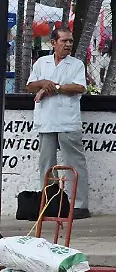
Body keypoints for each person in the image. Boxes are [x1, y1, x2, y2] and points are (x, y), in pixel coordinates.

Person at [26, 27, 91, 219]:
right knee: (47, 164)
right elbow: (30, 85)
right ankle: (51, 203)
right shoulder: (42, 63)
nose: (68, 44)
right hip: (46, 120)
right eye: (64, 41)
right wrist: (43, 83)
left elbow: (79, 87)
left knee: (74, 163)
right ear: (53, 43)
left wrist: (54, 87)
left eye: (70, 41)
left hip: (67, 121)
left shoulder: (76, 64)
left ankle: (79, 204)